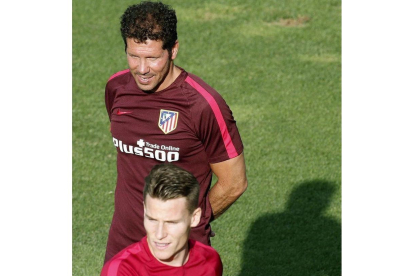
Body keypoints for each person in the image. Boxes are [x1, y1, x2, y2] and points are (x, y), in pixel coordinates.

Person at [104, 1, 248, 263]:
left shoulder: (203, 105)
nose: (142, 69)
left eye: (152, 57)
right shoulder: (117, 88)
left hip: (181, 256)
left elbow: (234, 183)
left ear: (173, 50)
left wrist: (190, 220)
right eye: (134, 56)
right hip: (123, 249)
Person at [101, 164, 223, 276]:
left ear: (194, 218)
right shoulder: (122, 271)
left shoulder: (210, 261)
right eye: (152, 220)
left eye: (171, 222)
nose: (159, 234)